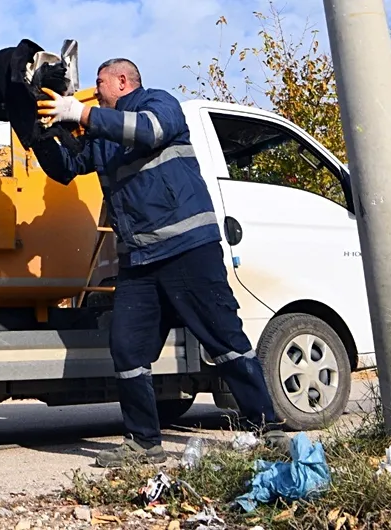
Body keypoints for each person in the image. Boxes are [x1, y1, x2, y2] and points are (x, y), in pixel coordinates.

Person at [30, 58, 291, 467]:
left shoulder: (159, 104)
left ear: (122, 80)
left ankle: (269, 428)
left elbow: (148, 131)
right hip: (139, 260)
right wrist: (41, 133)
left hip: (188, 249)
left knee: (224, 342)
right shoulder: (103, 133)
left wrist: (80, 113)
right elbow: (67, 168)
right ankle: (144, 442)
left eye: (99, 83)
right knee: (128, 350)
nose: (94, 92)